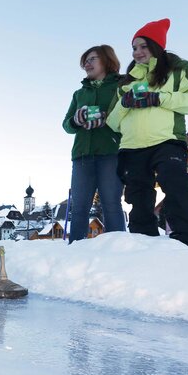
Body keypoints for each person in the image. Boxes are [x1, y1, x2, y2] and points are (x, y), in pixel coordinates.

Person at [106, 18, 188, 249]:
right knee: (138, 195)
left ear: (156, 45)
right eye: (134, 48)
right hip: (132, 146)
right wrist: (125, 103)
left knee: (175, 183)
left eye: (143, 46)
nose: (137, 52)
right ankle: (144, 242)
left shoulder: (180, 70)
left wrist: (159, 98)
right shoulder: (126, 81)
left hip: (167, 141)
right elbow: (112, 122)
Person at [62, 45, 127, 241]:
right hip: (82, 155)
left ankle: (118, 250)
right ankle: (75, 250)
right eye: (85, 62)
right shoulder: (79, 94)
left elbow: (128, 118)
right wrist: (76, 119)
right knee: (79, 206)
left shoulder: (120, 87)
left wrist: (108, 119)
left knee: (111, 203)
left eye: (92, 59)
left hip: (110, 153)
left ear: (107, 60)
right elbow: (66, 125)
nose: (87, 65)